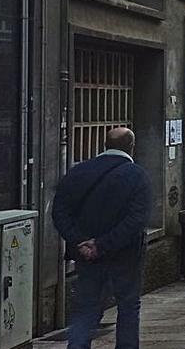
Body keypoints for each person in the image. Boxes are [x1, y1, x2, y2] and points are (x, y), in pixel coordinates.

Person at [52, 127, 151, 349]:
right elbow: (136, 220)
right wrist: (103, 244)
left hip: (87, 256)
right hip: (125, 255)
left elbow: (60, 211)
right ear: (131, 147)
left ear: (104, 145)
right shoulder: (137, 175)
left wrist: (81, 242)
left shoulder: (78, 172)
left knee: (86, 307)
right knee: (127, 305)